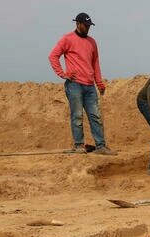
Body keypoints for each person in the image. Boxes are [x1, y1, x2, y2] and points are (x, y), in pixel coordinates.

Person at [49, 12, 116, 155]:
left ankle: (100, 146)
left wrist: (99, 83)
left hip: (90, 86)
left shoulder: (92, 42)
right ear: (78, 24)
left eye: (89, 25)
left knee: (95, 116)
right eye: (85, 25)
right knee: (77, 116)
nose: (87, 28)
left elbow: (95, 63)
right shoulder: (67, 39)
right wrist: (63, 74)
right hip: (74, 85)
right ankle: (79, 146)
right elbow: (53, 56)